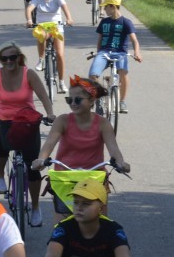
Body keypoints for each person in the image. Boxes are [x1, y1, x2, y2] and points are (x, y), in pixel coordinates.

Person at [34, 76, 130, 222]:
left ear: (92, 100)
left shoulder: (103, 124)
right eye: (69, 100)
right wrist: (41, 160)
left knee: (101, 224)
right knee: (61, 227)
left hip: (94, 179)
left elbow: (113, 149)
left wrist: (121, 163)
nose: (73, 103)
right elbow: (49, 144)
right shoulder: (62, 121)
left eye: (78, 100)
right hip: (65, 180)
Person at [0, 42, 56, 227]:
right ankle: (0, 176)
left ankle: (36, 207)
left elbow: (43, 96)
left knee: (33, 166)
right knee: (0, 142)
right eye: (4, 58)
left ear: (19, 58)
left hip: (27, 121)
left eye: (13, 57)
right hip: (4, 120)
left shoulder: (28, 74)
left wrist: (50, 113)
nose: (9, 61)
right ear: (0, 60)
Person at [88, 0, 142, 114]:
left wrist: (136, 53)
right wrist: (98, 53)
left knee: (123, 72)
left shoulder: (126, 22)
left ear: (112, 7)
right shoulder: (104, 22)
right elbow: (100, 39)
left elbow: (134, 40)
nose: (104, 10)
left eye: (106, 7)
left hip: (120, 53)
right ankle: (99, 99)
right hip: (104, 52)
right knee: (92, 75)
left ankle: (122, 101)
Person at [26, 0, 74, 92]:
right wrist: (29, 20)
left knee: (60, 55)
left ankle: (61, 82)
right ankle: (41, 60)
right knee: (41, 35)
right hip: (42, 26)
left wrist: (69, 19)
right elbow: (29, 9)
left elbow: (65, 8)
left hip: (56, 26)